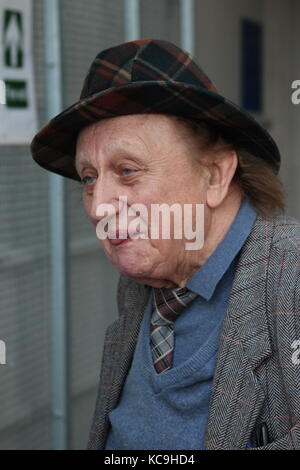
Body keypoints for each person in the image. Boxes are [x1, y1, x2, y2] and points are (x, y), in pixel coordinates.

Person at [31, 39, 300, 450]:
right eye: (88, 177)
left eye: (127, 170)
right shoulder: (144, 282)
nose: (99, 206)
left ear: (214, 176)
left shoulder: (290, 279)